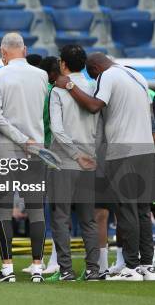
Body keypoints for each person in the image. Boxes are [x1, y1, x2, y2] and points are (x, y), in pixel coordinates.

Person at [55, 53, 155, 281]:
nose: (93, 79)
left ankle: (131, 267)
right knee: (142, 210)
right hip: (146, 149)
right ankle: (147, 266)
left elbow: (94, 106)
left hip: (123, 152)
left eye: (92, 75)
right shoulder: (137, 76)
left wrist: (70, 85)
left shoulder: (108, 76)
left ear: (95, 68)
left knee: (126, 210)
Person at [0, 33, 48, 283]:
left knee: (3, 209)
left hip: (6, 149)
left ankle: (8, 268)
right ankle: (36, 267)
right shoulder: (42, 75)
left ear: (3, 52)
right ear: (24, 50)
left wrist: (18, 137)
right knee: (36, 210)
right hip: (35, 149)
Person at [47, 45, 101, 281]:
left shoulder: (58, 89)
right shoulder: (94, 87)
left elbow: (56, 129)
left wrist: (75, 153)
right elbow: (101, 127)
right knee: (88, 218)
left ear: (62, 63)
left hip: (65, 161)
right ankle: (93, 269)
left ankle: (66, 270)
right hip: (90, 161)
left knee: (61, 217)